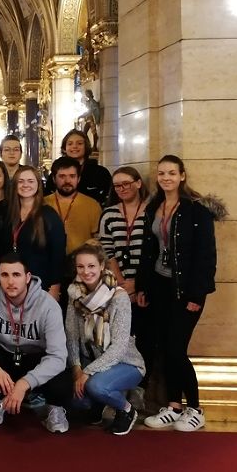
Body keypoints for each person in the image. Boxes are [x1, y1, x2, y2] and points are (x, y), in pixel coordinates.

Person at [138, 155, 223, 432]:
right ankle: (174, 405)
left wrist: (197, 296)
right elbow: (148, 251)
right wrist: (143, 286)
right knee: (164, 347)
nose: (166, 178)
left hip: (185, 289)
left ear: (182, 176)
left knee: (177, 348)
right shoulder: (154, 207)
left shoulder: (196, 210)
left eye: (172, 173)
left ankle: (195, 408)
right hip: (160, 286)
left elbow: (206, 256)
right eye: (161, 173)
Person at [0, 253, 73, 433]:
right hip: (5, 356)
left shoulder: (48, 305)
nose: (10, 281)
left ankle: (54, 407)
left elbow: (58, 356)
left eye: (16, 275)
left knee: (62, 379)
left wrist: (24, 383)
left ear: (28, 277)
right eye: (4, 275)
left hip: (36, 357)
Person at [66, 242, 145, 436]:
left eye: (91, 266)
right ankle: (97, 407)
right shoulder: (74, 295)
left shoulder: (119, 297)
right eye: (81, 267)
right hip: (90, 360)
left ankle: (126, 409)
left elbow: (118, 347)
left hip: (125, 362)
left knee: (95, 386)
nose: (86, 272)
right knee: (76, 399)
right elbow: (72, 335)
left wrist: (87, 373)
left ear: (102, 265)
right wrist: (77, 369)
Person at [99, 166, 150, 409]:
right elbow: (107, 250)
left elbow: (155, 251)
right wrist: (121, 282)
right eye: (117, 186)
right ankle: (120, 386)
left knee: (146, 339)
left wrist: (138, 284)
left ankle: (142, 388)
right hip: (117, 286)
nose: (122, 189)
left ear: (138, 183)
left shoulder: (150, 211)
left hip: (145, 283)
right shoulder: (109, 214)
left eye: (126, 183)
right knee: (121, 337)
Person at [3, 165, 66, 300]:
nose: (25, 185)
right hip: (12, 285)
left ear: (38, 185)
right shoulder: (8, 214)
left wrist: (54, 288)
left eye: (30, 181)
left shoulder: (49, 215)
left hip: (40, 286)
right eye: (21, 181)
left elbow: (58, 255)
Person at [43, 156, 102, 258]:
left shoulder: (92, 205)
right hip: (48, 260)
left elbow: (97, 239)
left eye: (72, 176)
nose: (67, 181)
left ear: (78, 179)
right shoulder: (43, 204)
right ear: (53, 179)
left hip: (81, 264)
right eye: (62, 176)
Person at [45, 129, 111, 205]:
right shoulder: (55, 173)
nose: (74, 146)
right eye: (70, 144)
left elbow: (107, 199)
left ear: (86, 147)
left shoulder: (101, 173)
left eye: (79, 143)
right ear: (64, 148)